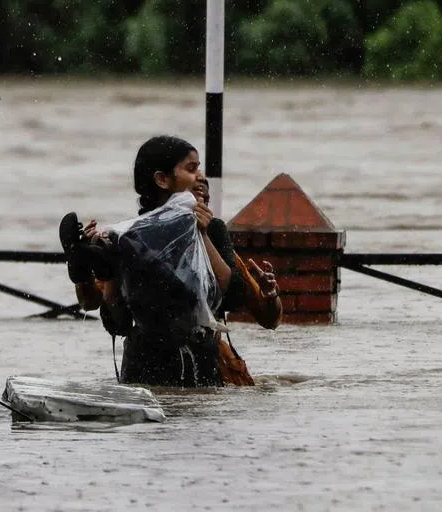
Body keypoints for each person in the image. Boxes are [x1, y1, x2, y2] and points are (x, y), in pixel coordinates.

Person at [60, 135, 280, 387]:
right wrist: (107, 273)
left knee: (124, 256)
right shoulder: (129, 236)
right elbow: (116, 320)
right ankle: (97, 261)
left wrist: (203, 234)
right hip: (178, 366)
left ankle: (98, 259)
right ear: (162, 180)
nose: (199, 177)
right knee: (122, 256)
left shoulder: (202, 230)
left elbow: (230, 294)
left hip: (168, 365)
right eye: (191, 169)